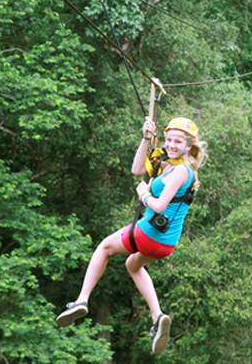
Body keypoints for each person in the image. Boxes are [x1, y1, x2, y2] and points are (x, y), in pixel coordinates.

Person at [56, 116, 208, 355]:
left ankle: (82, 300)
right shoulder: (168, 165)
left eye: (178, 142)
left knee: (104, 248)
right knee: (133, 265)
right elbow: (137, 169)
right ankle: (158, 317)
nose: (171, 145)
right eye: (168, 140)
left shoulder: (181, 171)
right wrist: (146, 139)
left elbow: (158, 205)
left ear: (188, 146)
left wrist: (144, 194)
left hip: (149, 234)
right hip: (166, 244)